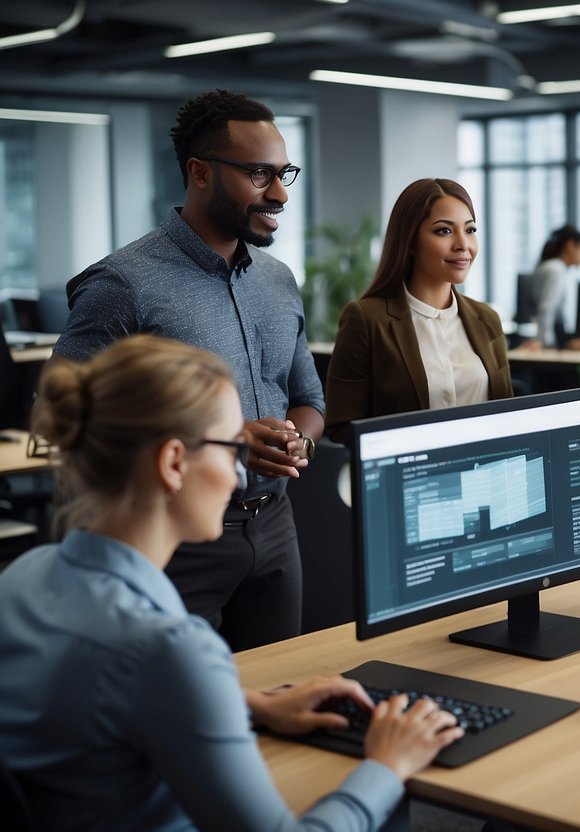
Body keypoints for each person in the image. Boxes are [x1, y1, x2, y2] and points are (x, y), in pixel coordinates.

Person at [0, 335, 463, 831]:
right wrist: (387, 766)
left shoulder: (22, 579)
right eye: (232, 451)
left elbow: (93, 705)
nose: (241, 479)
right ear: (173, 462)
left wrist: (248, 705)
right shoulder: (168, 648)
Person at [50, 89, 324, 651]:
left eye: (284, 174)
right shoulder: (123, 284)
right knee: (174, 717)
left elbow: (308, 399)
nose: (278, 194)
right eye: (258, 174)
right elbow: (62, 417)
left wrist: (298, 442)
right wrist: (220, 443)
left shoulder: (278, 281)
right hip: (174, 536)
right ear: (200, 172)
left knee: (279, 693)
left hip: (274, 524)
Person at [324, 178, 512, 444]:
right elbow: (341, 427)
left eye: (470, 230)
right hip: (409, 480)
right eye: (444, 231)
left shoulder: (487, 319)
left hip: (483, 476)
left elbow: (509, 418)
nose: (463, 245)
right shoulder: (366, 319)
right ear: (410, 241)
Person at [531, 224, 580, 348]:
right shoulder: (555, 269)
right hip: (552, 338)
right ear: (570, 246)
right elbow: (546, 307)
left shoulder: (556, 267)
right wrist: (546, 343)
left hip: (555, 335)